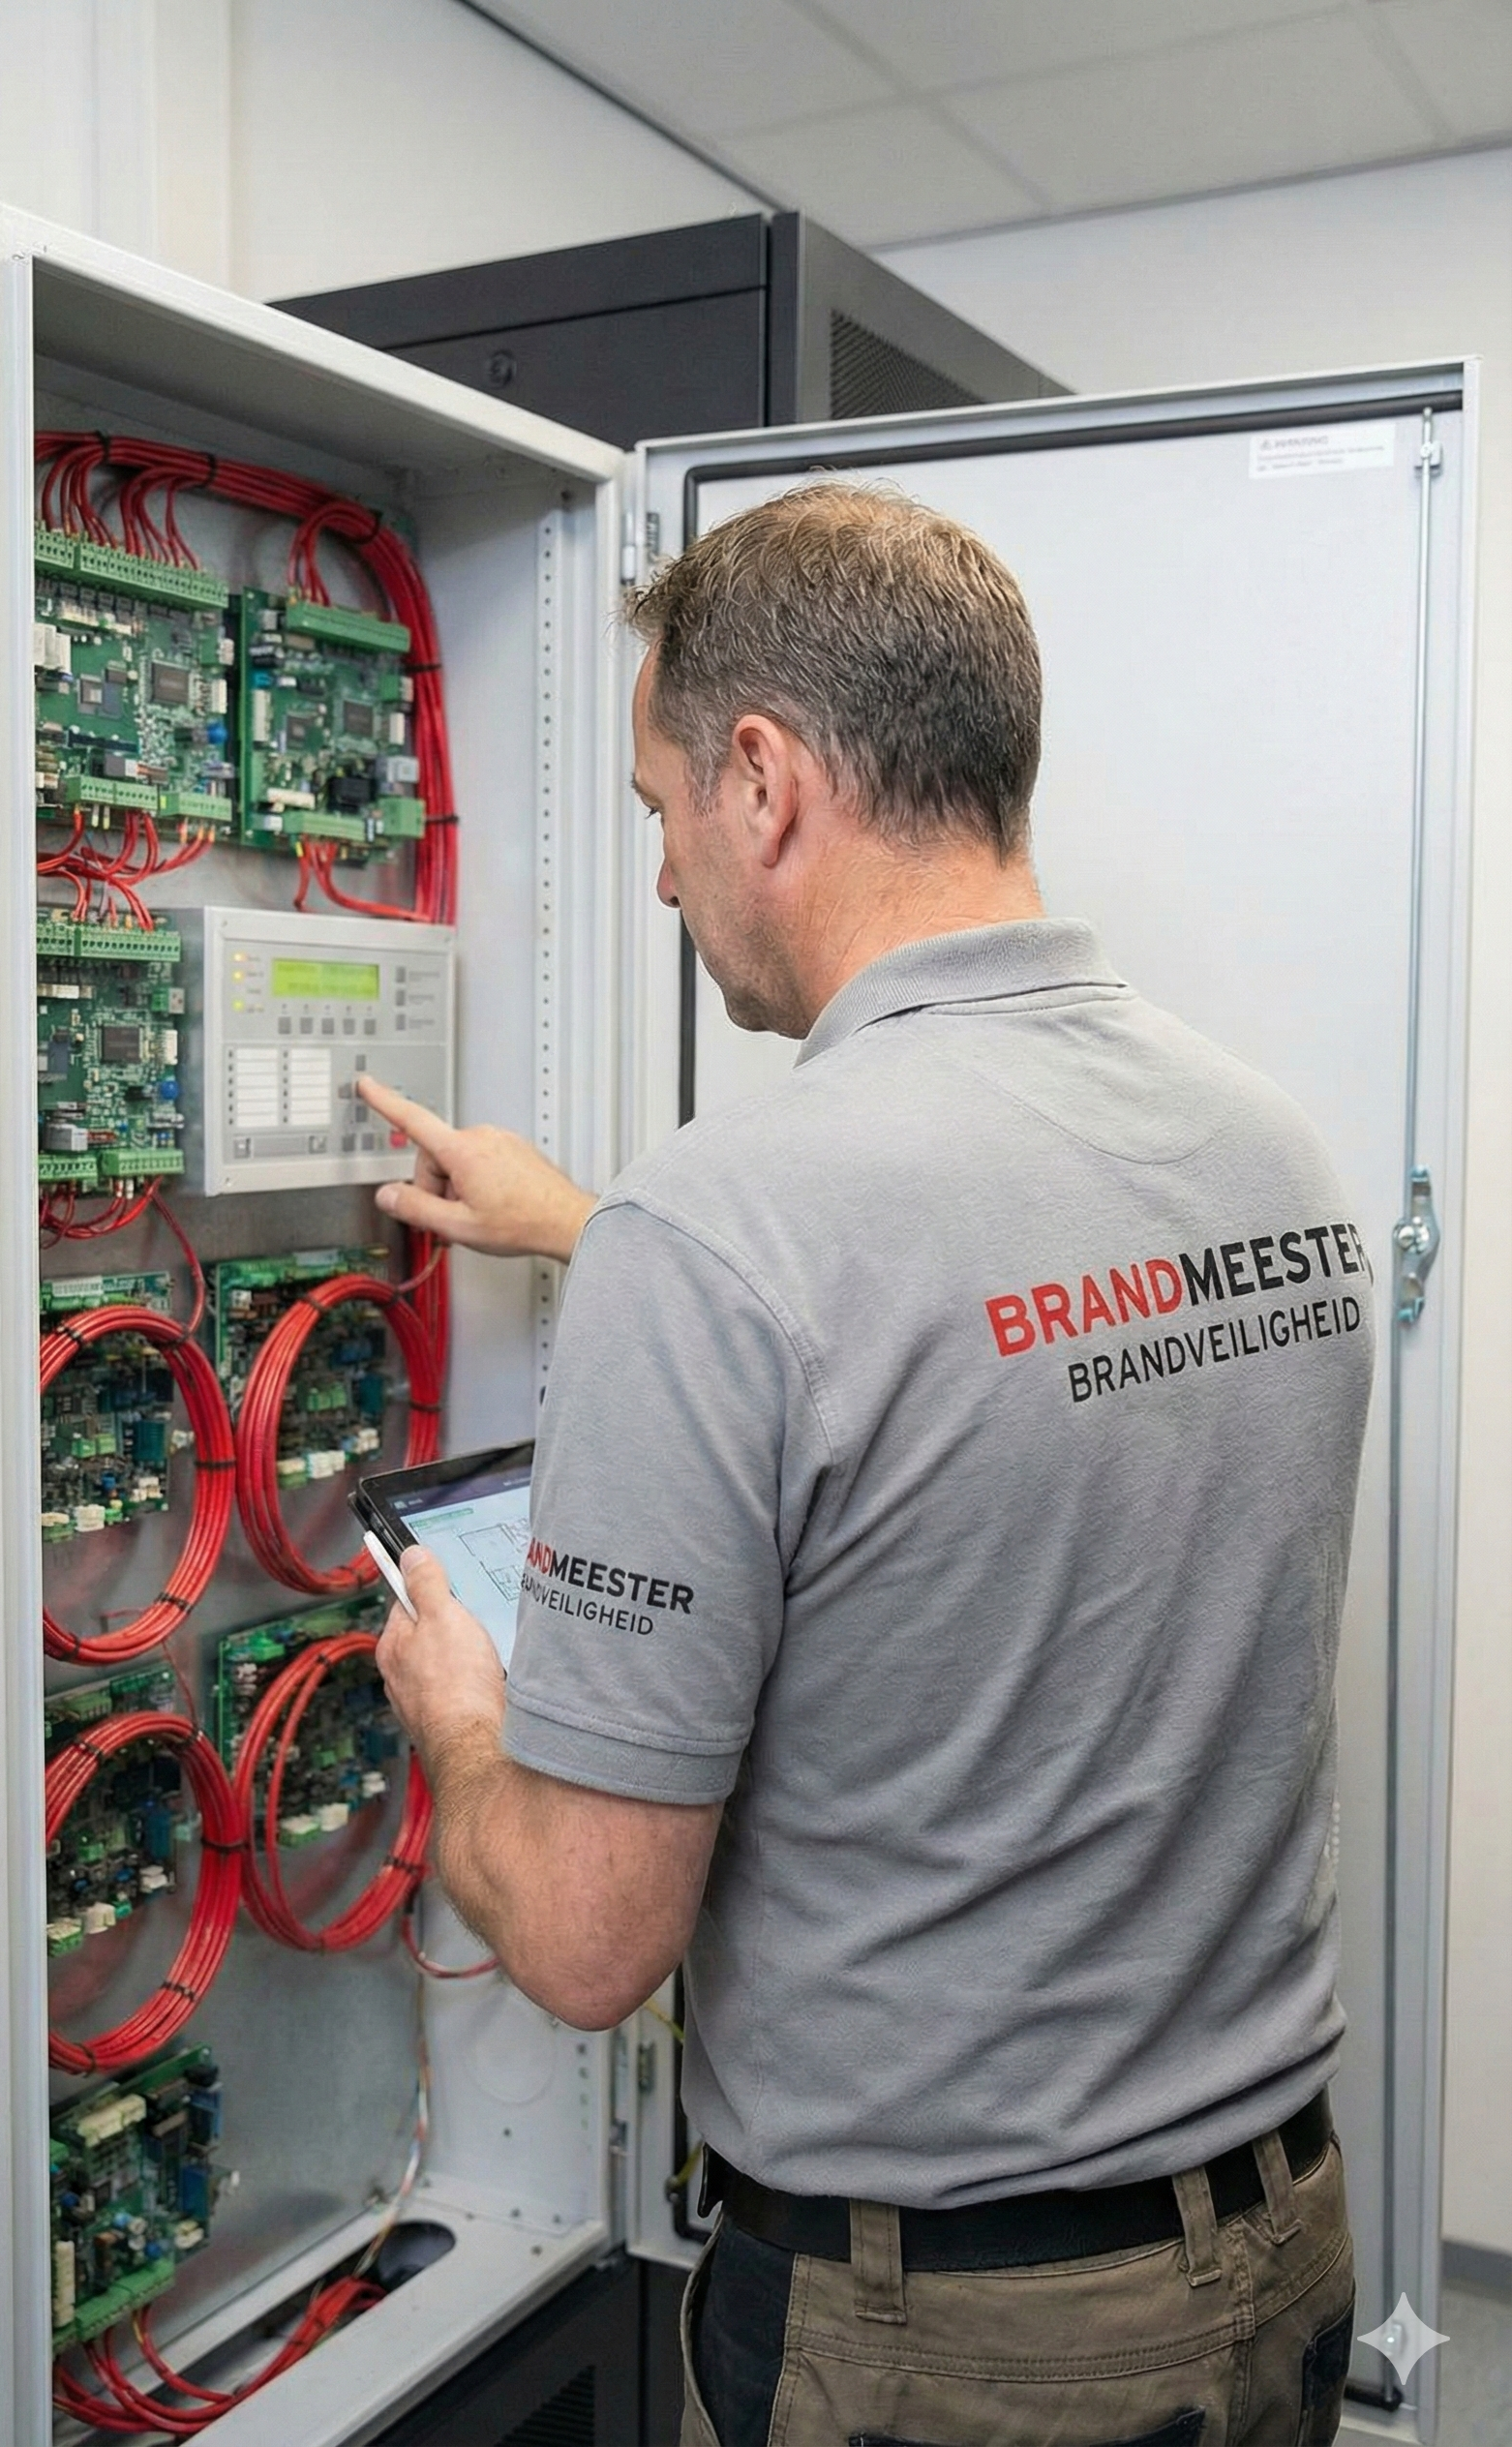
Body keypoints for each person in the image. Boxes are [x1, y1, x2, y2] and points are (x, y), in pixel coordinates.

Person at [359, 484, 1373, 2447]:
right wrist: (597, 1232)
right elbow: (973, 1341)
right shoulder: (1268, 1150)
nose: (664, 877)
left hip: (951, 2353)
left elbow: (583, 1938)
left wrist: (463, 1721)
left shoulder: (723, 1236)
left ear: (764, 780)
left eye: (662, 808)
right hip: (1276, 2264)